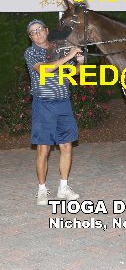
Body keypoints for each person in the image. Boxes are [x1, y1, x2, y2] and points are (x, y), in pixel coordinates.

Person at [24, 19, 84, 206]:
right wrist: (69, 55)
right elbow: (46, 69)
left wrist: (79, 63)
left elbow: (73, 73)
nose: (38, 33)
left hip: (64, 104)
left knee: (66, 146)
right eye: (33, 32)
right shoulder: (31, 52)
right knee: (44, 149)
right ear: (30, 37)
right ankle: (42, 190)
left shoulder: (59, 49)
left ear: (47, 30)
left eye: (40, 29)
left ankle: (63, 187)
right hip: (44, 105)